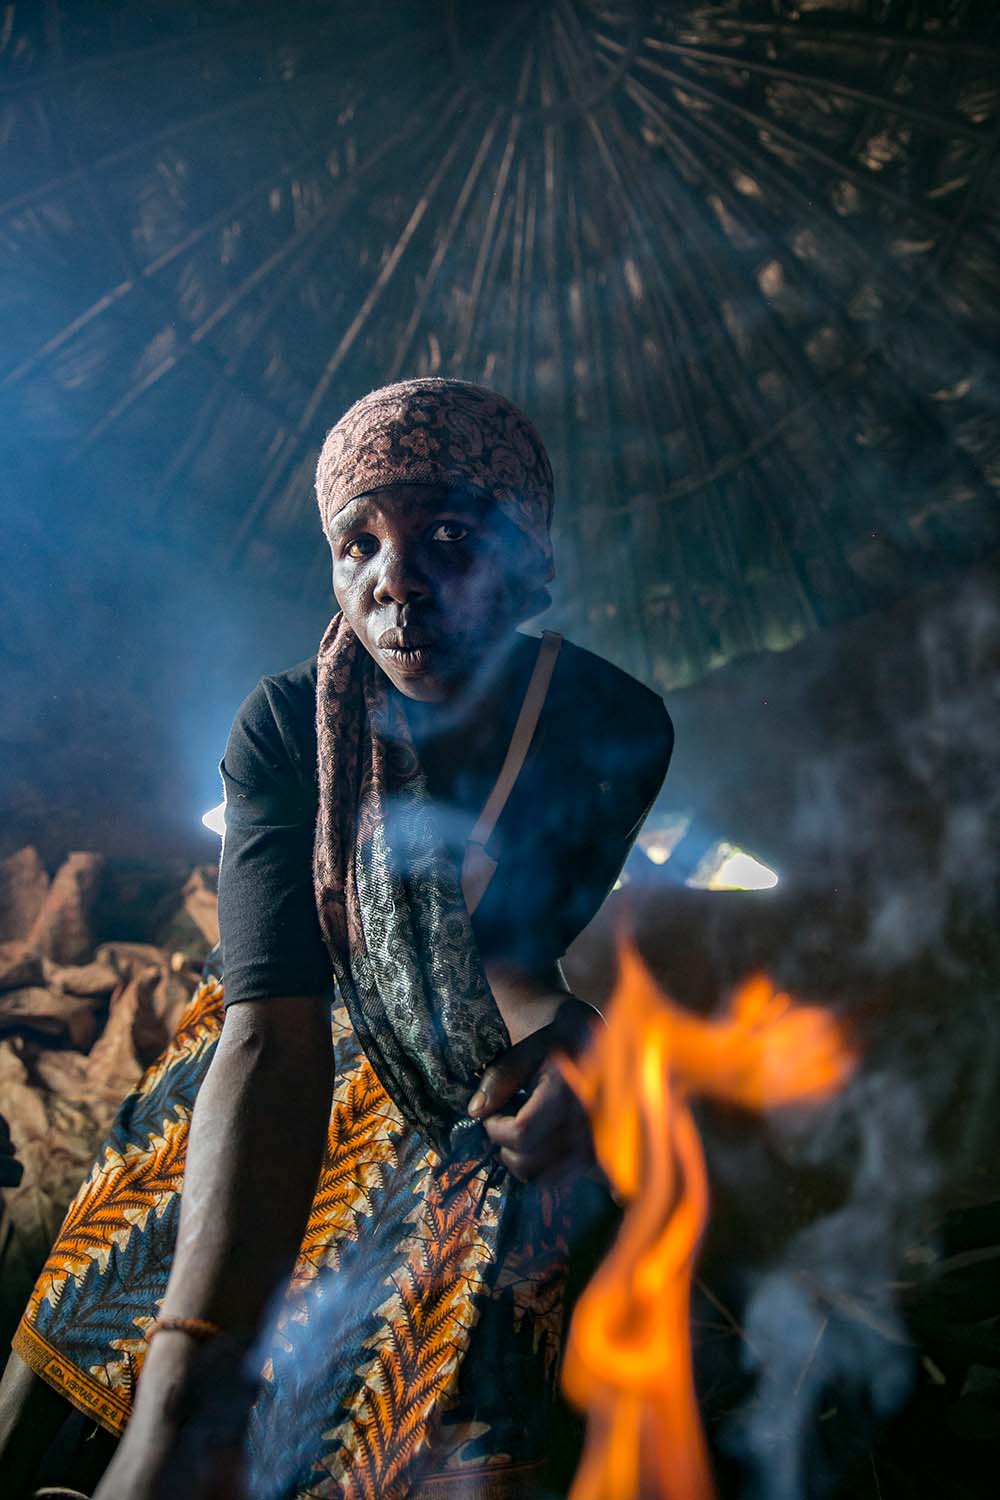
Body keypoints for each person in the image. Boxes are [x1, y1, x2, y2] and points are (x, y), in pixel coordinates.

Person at [0, 378, 672, 1499]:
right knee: (139, 1238)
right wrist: (175, 1418)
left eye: (445, 537)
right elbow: (268, 1029)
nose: (393, 578)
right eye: (356, 542)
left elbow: (504, 962)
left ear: (523, 562)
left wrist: (576, 1039)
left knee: (474, 1270)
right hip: (290, 1029)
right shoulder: (287, 726)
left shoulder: (606, 725)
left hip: (461, 1057)